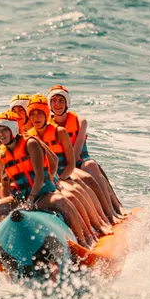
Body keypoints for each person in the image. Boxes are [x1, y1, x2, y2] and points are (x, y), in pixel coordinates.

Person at [0, 111, 92, 247]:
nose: (1, 134)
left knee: (61, 201)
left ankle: (83, 241)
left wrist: (31, 199)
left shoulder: (30, 143)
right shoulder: (2, 154)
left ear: (13, 128)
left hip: (41, 195)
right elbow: (5, 184)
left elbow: (40, 175)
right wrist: (5, 214)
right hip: (20, 198)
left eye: (5, 130)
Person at [25, 95, 111, 236]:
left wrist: (59, 179)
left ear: (46, 113)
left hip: (62, 174)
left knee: (75, 192)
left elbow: (70, 163)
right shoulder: (27, 138)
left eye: (40, 113)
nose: (36, 118)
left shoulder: (59, 131)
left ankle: (98, 224)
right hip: (43, 182)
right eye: (32, 114)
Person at [48, 84, 124, 218]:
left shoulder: (80, 121)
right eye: (53, 100)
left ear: (67, 103)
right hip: (58, 166)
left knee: (91, 165)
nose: (57, 104)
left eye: (61, 100)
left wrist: (67, 170)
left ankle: (113, 208)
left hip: (78, 162)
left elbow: (76, 152)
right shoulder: (46, 126)